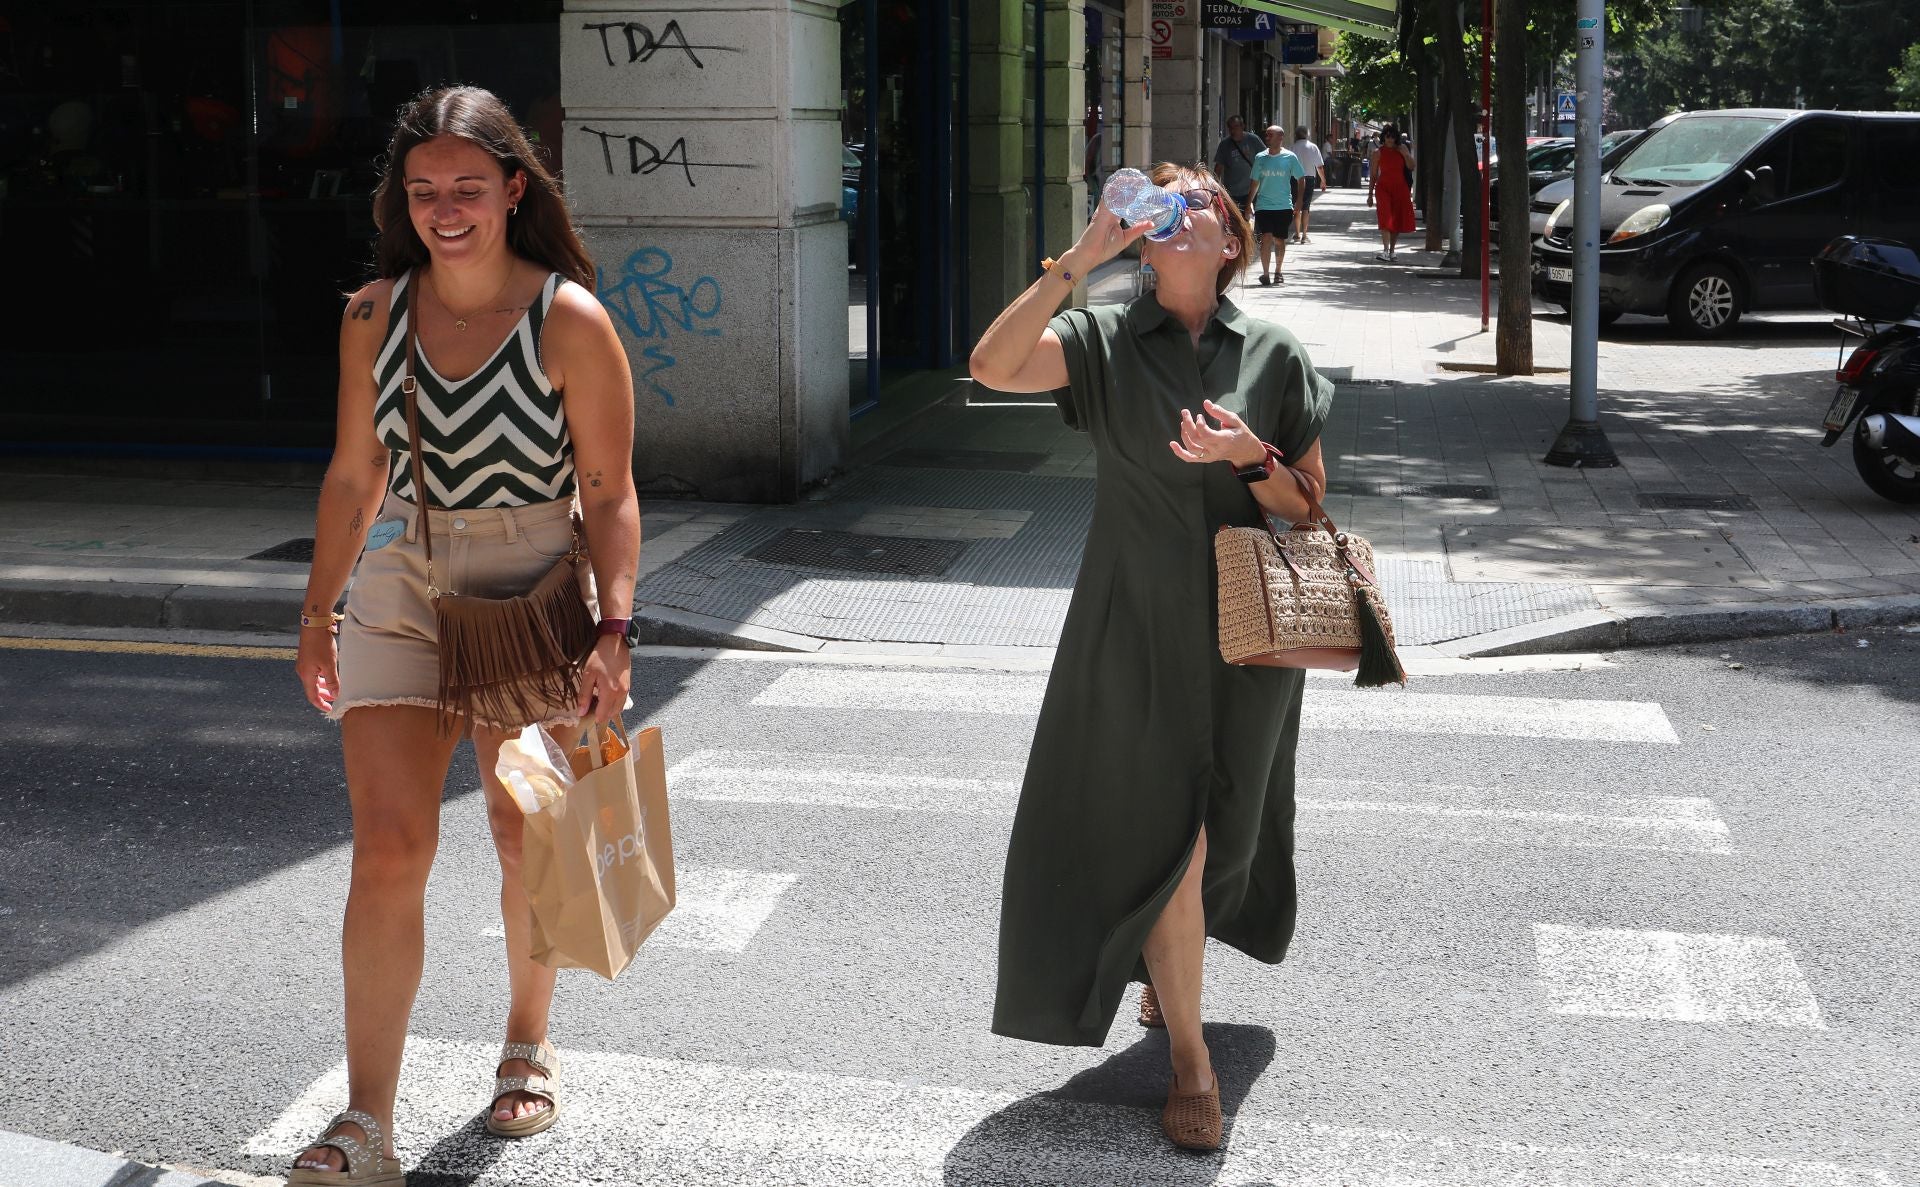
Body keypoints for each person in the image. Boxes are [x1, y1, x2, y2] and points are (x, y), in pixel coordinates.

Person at [288, 85, 641, 1184]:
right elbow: (355, 473)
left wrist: (615, 629)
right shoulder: (371, 314)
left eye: (469, 189)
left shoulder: (569, 316)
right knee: (390, 847)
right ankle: (366, 1121)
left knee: (523, 830)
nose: (447, 209)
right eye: (425, 189)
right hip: (403, 579)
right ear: (403, 199)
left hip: (533, 583)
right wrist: (318, 607)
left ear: (513, 191)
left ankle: (527, 1039)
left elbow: (612, 490)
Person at [968, 161, 1333, 1154]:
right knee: (1170, 839)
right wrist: (1079, 260)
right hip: (1129, 625)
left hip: (1247, 635)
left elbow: (1309, 505)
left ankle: (1168, 979)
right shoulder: (1101, 339)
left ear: (1229, 241)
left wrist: (1251, 456)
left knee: (1224, 829)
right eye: (1163, 205)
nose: (1184, 218)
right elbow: (992, 366)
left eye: (1204, 206)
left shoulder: (1277, 352)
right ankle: (1190, 1061)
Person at [1247, 124, 1305, 285]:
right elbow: (1254, 182)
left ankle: (1278, 271)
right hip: (1263, 206)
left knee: (1279, 240)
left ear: (1280, 138)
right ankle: (1265, 274)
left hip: (1283, 206)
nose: (1267, 138)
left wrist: (1299, 201)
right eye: (1266, 135)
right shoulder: (1260, 158)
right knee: (1265, 238)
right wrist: (1249, 203)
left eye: (1270, 135)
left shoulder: (1290, 157)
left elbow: (1301, 178)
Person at [1367, 123, 1417, 262]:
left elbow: (1412, 167)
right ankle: (1385, 250)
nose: (1390, 140)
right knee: (1385, 218)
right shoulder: (1378, 153)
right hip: (1383, 188)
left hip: (1400, 188)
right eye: (1388, 137)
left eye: (1393, 137)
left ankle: (1392, 251)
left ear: (1396, 138)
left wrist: (1405, 154)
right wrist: (1370, 195)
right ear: (1383, 137)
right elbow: (1373, 175)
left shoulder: (1402, 150)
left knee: (1397, 219)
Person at [1209, 114, 1260, 216]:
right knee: (1236, 222)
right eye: (1230, 128)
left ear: (1242, 126)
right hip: (1232, 192)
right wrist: (1215, 187)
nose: (1233, 130)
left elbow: (1266, 159)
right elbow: (1218, 168)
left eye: (1235, 127)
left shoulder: (1253, 140)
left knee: (1255, 223)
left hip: (1252, 190)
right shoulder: (1225, 144)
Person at [1290, 125, 1326, 244]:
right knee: (1306, 207)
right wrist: (1323, 180)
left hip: (1295, 179)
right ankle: (1305, 236)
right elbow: (1319, 166)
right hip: (1309, 178)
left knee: (1296, 205)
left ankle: (1297, 234)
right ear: (1307, 134)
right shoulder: (1313, 147)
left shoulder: (1293, 147)